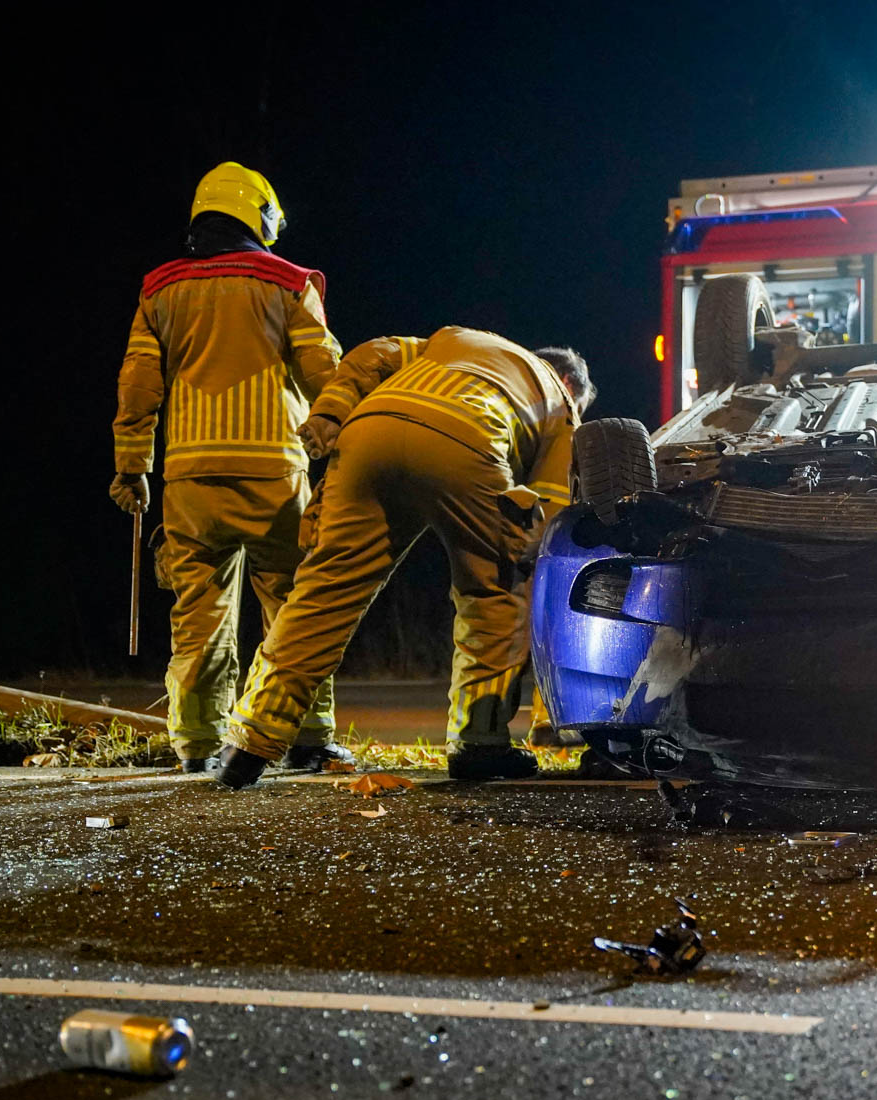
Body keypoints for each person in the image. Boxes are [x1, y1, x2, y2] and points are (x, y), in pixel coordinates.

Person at [213, 327, 593, 787]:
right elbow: (546, 516)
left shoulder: (456, 339)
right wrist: (519, 562)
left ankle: (249, 742)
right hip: (470, 438)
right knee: (496, 593)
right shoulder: (560, 404)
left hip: (370, 428)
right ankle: (479, 742)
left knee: (325, 590)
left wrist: (331, 411)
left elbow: (373, 354)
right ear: (570, 385)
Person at [109, 161, 353, 774]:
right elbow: (325, 376)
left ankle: (197, 744)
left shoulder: (158, 289)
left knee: (198, 614)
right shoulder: (290, 283)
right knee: (295, 610)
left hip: (188, 480)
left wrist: (132, 466)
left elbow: (138, 385)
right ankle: (305, 738)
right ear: (260, 215)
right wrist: (345, 439)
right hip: (276, 476)